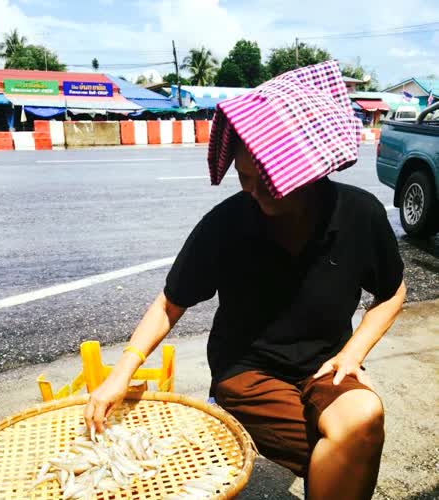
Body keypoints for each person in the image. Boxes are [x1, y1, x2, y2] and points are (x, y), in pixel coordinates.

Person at [84, 61, 405, 500]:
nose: (252, 191)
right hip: (247, 373)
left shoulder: (360, 214)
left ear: (307, 171)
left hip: (325, 367)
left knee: (364, 418)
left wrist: (353, 353)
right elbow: (169, 304)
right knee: (343, 452)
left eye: (266, 181)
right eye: (244, 178)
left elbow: (391, 292)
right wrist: (120, 374)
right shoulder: (226, 223)